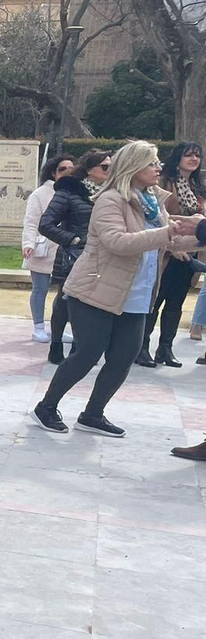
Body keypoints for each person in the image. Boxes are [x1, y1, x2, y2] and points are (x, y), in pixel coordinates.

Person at [32, 141, 201, 437]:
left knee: (123, 358)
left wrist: (198, 237)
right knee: (87, 353)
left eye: (158, 162)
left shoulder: (153, 201)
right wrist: (165, 231)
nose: (158, 167)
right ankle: (46, 406)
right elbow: (117, 242)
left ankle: (93, 414)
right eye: (151, 163)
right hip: (97, 289)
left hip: (136, 293)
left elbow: (168, 243)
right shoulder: (110, 200)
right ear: (133, 167)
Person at [38, 149, 110, 364]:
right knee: (65, 302)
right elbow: (45, 224)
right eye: (105, 167)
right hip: (73, 256)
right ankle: (56, 344)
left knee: (92, 305)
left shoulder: (111, 194)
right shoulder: (69, 191)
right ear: (89, 170)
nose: (109, 171)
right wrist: (74, 240)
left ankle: (80, 348)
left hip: (102, 257)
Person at [138, 141, 206, 368]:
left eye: (197, 156)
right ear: (178, 158)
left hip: (192, 251)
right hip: (166, 250)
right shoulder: (165, 183)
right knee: (155, 300)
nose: (193, 159)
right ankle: (142, 348)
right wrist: (173, 246)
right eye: (188, 155)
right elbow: (160, 216)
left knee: (176, 302)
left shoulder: (197, 186)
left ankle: (165, 349)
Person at [22, 154, 75, 343]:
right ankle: (38, 327)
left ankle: (57, 327)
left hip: (67, 250)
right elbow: (31, 221)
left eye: (71, 169)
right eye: (62, 169)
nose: (67, 172)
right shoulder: (40, 194)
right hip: (42, 249)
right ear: (53, 172)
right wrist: (28, 244)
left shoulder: (76, 192)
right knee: (40, 289)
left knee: (64, 292)